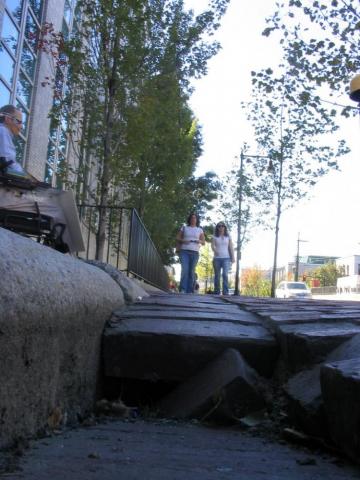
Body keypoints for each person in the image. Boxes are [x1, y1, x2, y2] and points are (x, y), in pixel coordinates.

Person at [176, 212, 205, 293]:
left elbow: (203, 242)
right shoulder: (184, 228)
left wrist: (199, 240)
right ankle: (183, 289)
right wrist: (183, 240)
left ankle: (189, 290)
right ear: (189, 219)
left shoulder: (199, 229)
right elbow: (177, 237)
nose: (193, 219)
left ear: (197, 220)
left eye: (195, 218)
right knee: (185, 269)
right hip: (184, 251)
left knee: (191, 271)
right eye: (192, 218)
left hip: (195, 252)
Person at [0, 104, 27, 176]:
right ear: (7, 119)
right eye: (19, 122)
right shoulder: (3, 131)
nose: (21, 127)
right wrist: (25, 176)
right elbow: (9, 163)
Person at [211, 221, 235, 295]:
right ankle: (217, 292)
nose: (221, 227)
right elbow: (212, 246)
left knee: (225, 274)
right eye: (219, 226)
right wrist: (215, 250)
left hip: (226, 258)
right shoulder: (214, 236)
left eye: (222, 226)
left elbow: (231, 247)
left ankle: (225, 292)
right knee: (217, 276)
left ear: (225, 227)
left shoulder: (228, 237)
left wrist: (233, 257)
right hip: (217, 259)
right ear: (217, 228)